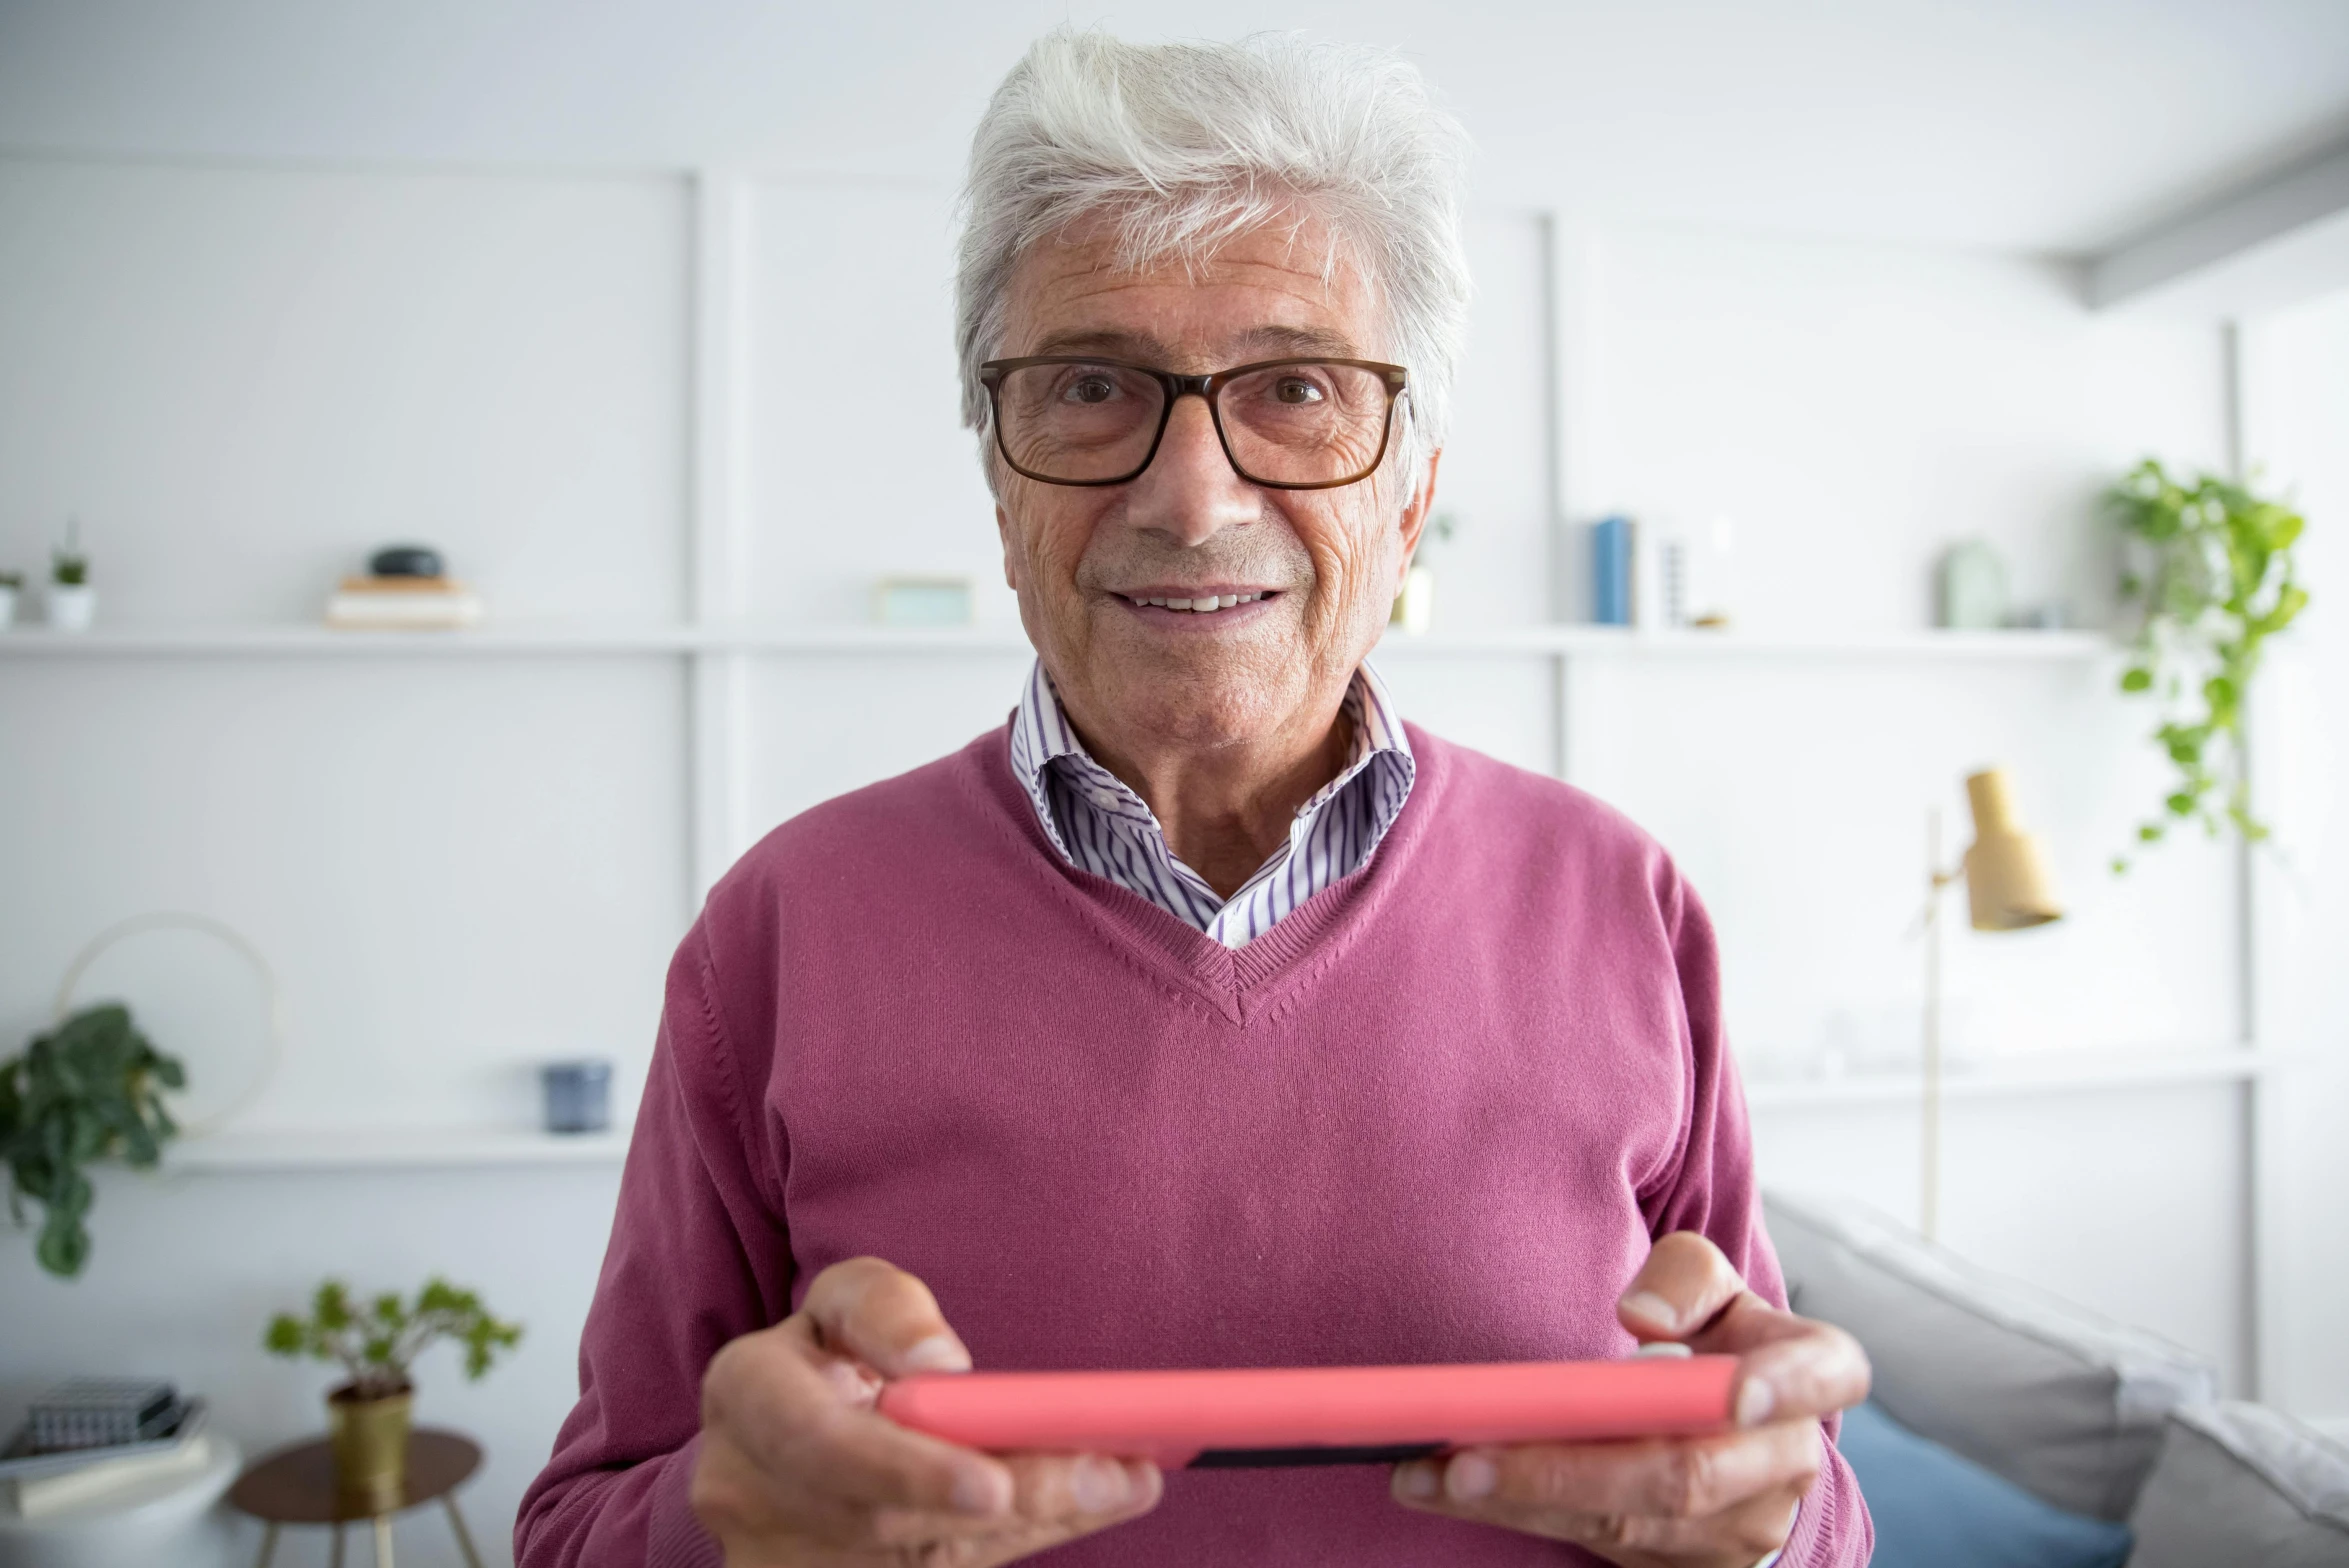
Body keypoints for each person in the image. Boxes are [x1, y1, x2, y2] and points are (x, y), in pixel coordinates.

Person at [517, 29, 1871, 1568]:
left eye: (1295, 387)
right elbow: (573, 1531)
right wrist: (724, 1529)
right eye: (1093, 386)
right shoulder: (781, 927)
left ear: (1409, 492)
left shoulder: (1619, 898)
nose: (1193, 496)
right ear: (1001, 484)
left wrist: (1773, 1525)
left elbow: (1801, 1491)